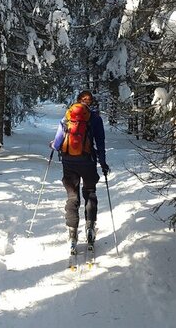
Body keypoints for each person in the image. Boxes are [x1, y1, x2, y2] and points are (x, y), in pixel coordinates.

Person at [50, 90, 109, 251]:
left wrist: (53, 146)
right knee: (90, 193)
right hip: (87, 161)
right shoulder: (95, 118)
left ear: (77, 101)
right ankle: (90, 228)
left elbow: (57, 142)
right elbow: (100, 142)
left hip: (69, 162)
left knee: (72, 196)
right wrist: (102, 162)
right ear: (92, 102)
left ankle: (72, 233)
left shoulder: (68, 115)